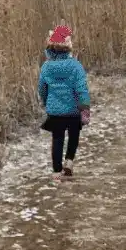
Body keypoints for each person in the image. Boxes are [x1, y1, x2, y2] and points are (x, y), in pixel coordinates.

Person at [37, 25, 91, 179]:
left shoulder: (46, 68)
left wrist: (45, 101)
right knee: (74, 136)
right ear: (68, 48)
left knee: (57, 139)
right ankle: (69, 162)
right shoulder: (75, 66)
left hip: (55, 111)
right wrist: (85, 107)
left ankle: (56, 171)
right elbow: (82, 88)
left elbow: (42, 88)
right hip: (73, 110)